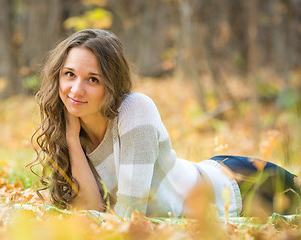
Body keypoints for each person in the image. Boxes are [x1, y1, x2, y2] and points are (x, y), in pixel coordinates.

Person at [31, 29, 300, 218]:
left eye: (93, 79)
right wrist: (70, 138)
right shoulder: (75, 129)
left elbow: (130, 214)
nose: (76, 90)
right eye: (69, 74)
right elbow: (90, 209)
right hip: (210, 172)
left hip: (242, 185)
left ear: (110, 85)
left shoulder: (135, 109)